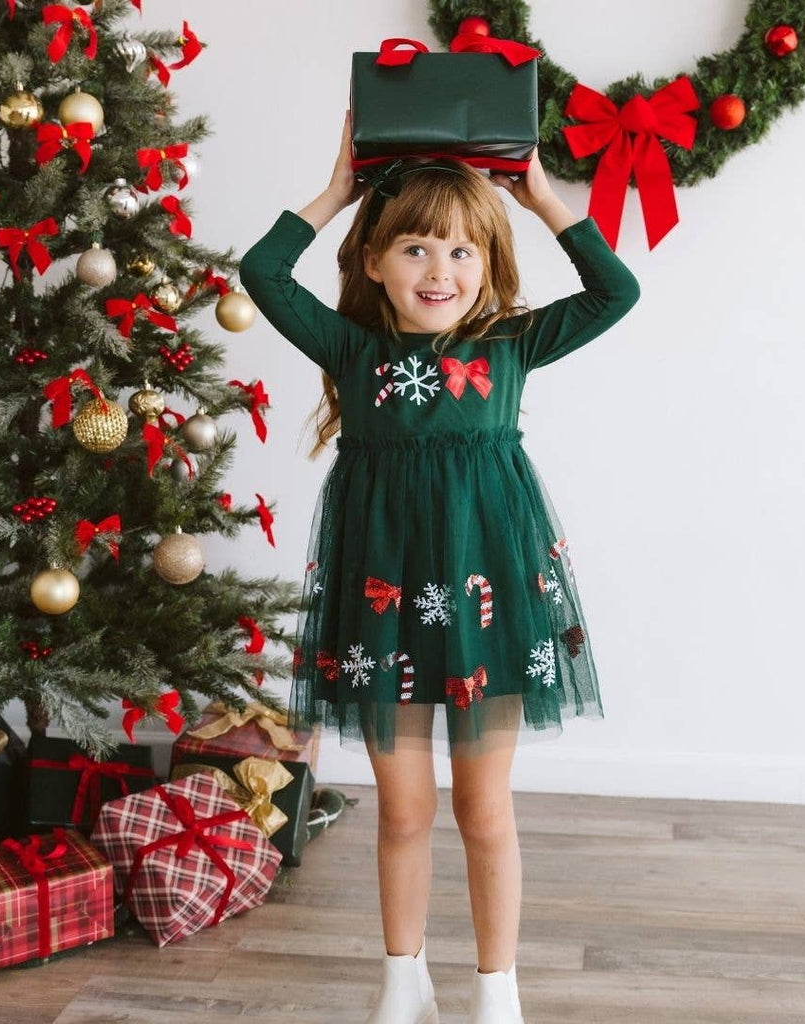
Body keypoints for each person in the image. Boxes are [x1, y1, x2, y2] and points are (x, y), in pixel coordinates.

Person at [238, 110, 640, 1024]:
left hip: (489, 598)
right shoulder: (354, 349)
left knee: (483, 812)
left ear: (489, 271)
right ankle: (401, 975)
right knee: (404, 809)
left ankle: (497, 986)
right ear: (375, 261)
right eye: (416, 249)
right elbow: (262, 273)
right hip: (383, 599)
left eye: (462, 254)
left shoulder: (512, 346)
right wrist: (336, 193)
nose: (439, 272)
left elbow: (616, 292)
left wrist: (540, 197)